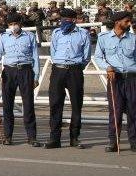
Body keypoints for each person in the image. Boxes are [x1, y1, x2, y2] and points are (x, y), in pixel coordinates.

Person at [0, 13, 40, 146]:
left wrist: (36, 76)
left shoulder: (29, 36)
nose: (13, 27)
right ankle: (8, 136)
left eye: (15, 24)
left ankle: (32, 137)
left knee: (28, 104)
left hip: (25, 70)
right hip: (9, 71)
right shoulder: (3, 37)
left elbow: (35, 57)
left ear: (20, 24)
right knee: (7, 105)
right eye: (10, 25)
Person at [45, 8, 90, 149]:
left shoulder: (83, 34)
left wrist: (76, 67)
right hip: (58, 70)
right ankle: (54, 138)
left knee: (76, 104)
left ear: (74, 20)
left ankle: (74, 137)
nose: (64, 21)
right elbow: (53, 52)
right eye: (62, 19)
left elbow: (86, 56)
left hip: (75, 71)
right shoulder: (57, 33)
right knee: (55, 104)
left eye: (67, 19)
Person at [93, 11, 135, 152]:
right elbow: (98, 57)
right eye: (126, 21)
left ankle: (134, 141)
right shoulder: (104, 38)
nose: (129, 24)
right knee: (115, 111)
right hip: (114, 78)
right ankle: (113, 141)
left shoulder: (133, 38)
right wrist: (107, 67)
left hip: (132, 78)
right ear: (118, 22)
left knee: (133, 110)